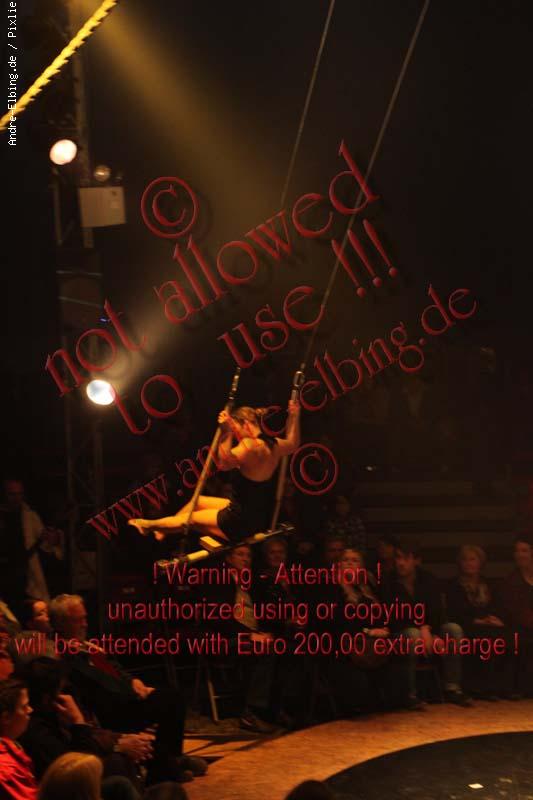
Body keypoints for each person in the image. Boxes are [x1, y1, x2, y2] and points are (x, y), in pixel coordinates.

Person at [48, 594, 205, 784]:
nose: (84, 624)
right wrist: (133, 692)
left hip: (121, 698)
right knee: (169, 701)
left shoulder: (83, 645)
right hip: (107, 710)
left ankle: (170, 760)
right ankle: (166, 767)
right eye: (77, 620)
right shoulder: (61, 653)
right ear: (60, 623)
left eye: (85, 618)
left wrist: (134, 681)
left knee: (171, 697)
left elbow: (114, 669)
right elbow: (98, 683)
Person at [127, 401, 300, 544]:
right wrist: (294, 415)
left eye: (236, 429)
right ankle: (165, 528)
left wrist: (226, 432)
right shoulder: (274, 445)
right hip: (254, 514)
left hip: (238, 521)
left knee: (191, 519)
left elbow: (223, 463)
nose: (237, 435)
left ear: (245, 424)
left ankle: (149, 525)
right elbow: (293, 443)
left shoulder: (249, 446)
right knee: (198, 501)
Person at [446, 545, 513, 699]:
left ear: (480, 562)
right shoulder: (454, 586)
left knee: (506, 634)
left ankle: (502, 687)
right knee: (484, 638)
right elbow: (455, 613)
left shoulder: (488, 585)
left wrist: (495, 619)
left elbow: (498, 607)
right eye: (465, 560)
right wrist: (479, 621)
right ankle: (478, 687)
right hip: (466, 625)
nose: (469, 563)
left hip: (488, 624)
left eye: (472, 559)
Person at [0, 679, 37, 800]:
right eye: (24, 706)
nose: (30, 710)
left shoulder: (12, 745)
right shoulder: (8, 770)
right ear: (6, 717)